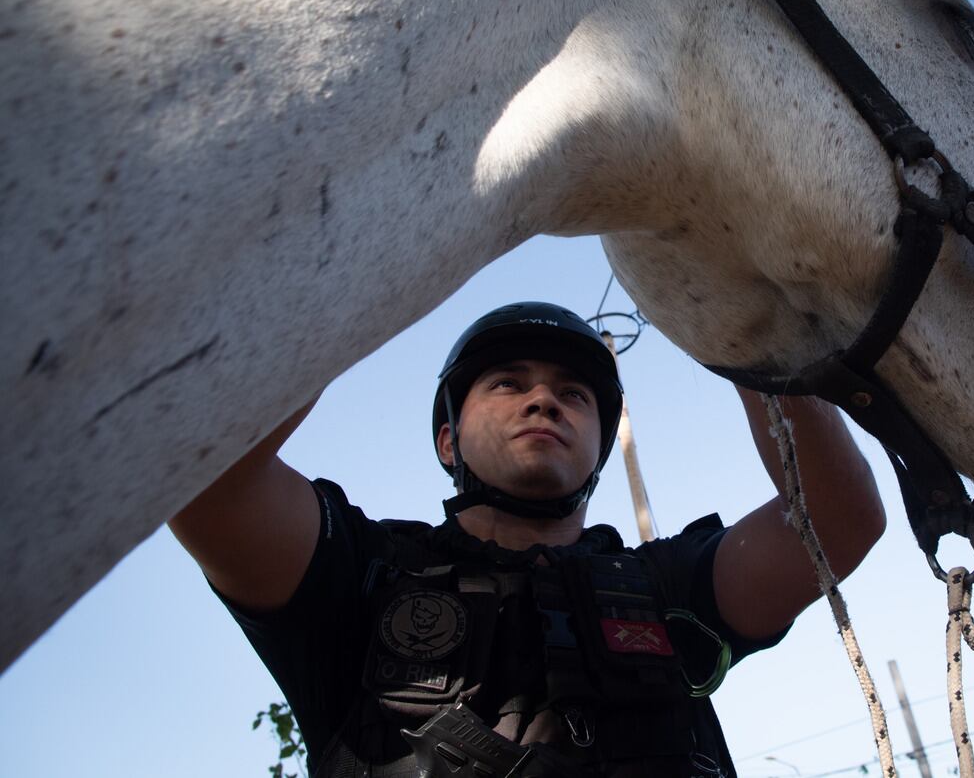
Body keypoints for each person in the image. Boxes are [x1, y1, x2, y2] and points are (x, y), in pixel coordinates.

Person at [171, 302, 885, 777]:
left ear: (600, 451)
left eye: (574, 395)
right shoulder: (361, 570)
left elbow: (837, 521)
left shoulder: (667, 585)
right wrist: (364, 292)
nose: (544, 399)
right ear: (449, 440)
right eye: (508, 384)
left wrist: (749, 334)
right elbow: (201, 483)